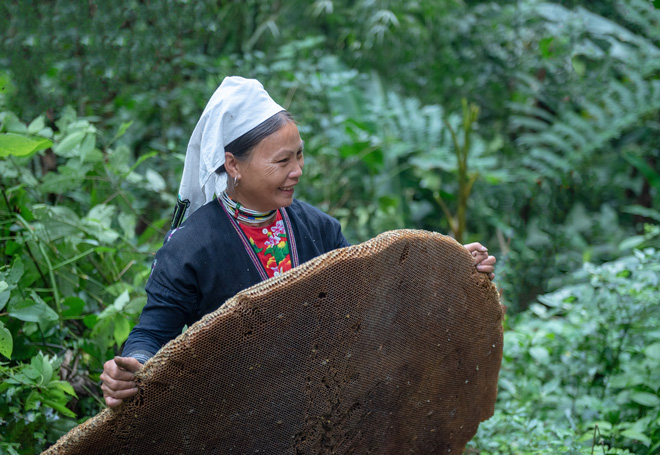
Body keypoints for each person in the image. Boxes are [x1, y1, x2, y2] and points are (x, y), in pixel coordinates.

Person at [100, 77, 496, 408]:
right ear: (233, 164)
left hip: (324, 406)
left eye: (300, 157)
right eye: (282, 161)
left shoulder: (318, 229)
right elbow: (152, 333)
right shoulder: (190, 249)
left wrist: (448, 266)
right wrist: (133, 365)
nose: (297, 171)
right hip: (233, 418)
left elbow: (372, 292)